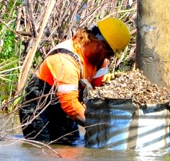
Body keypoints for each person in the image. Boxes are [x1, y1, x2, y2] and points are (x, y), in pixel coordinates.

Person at [19, 16, 131, 145]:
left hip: (61, 110)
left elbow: (97, 92)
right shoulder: (65, 60)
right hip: (39, 110)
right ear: (100, 46)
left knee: (72, 143)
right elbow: (71, 106)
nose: (109, 58)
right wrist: (102, 127)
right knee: (49, 152)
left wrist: (112, 85)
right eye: (110, 54)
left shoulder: (100, 62)